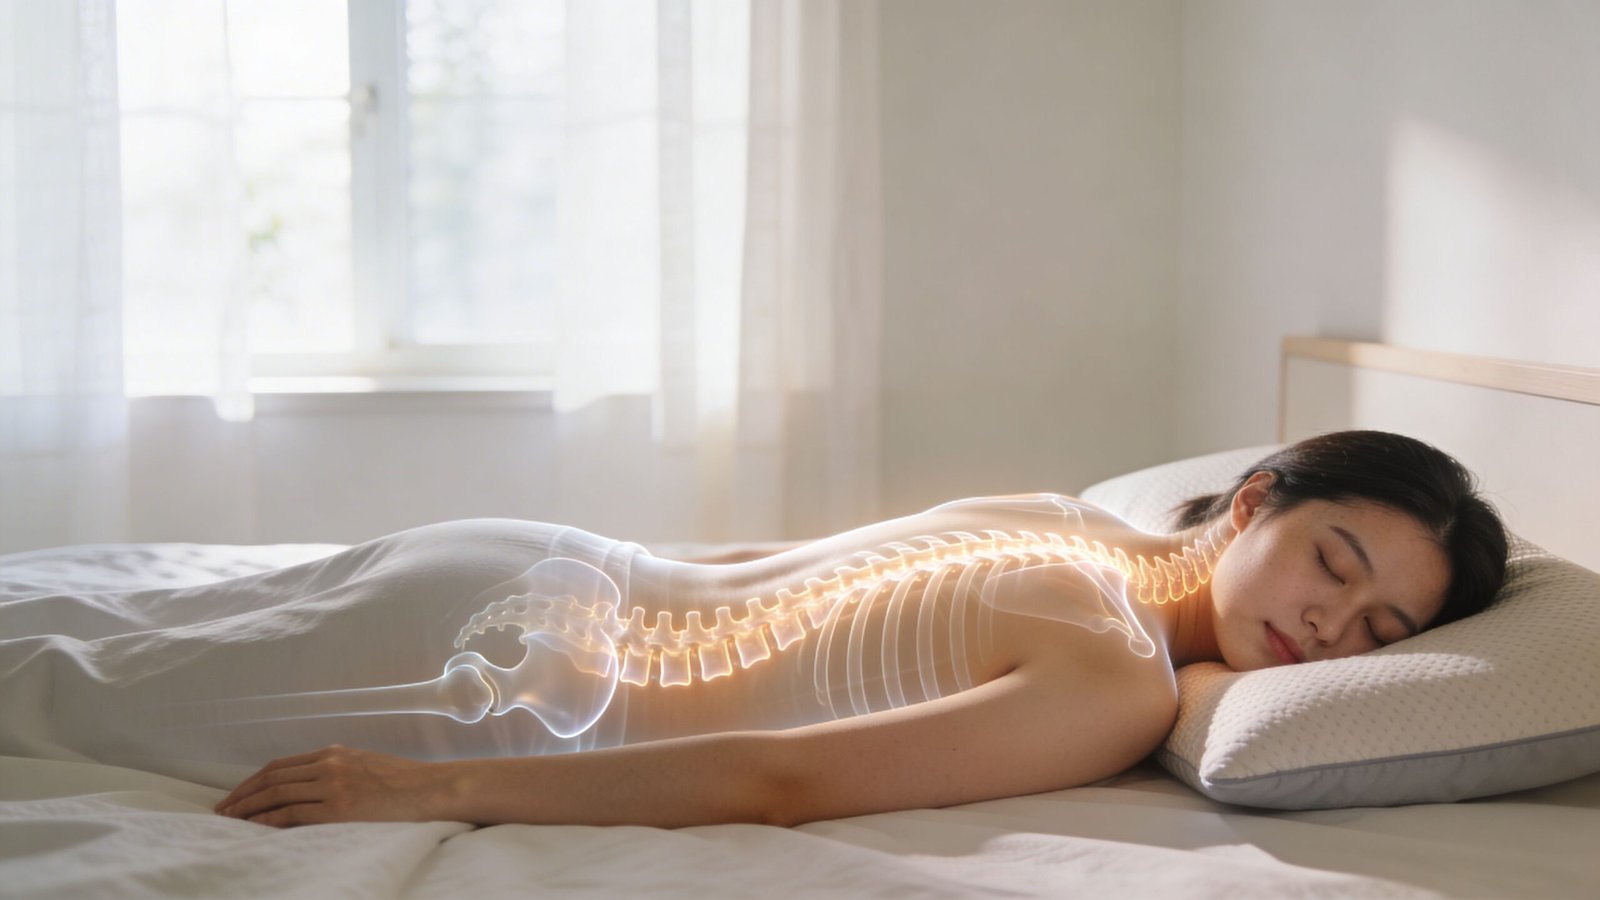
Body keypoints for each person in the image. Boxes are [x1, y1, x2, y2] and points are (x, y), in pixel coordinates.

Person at [45, 430, 1514, 829]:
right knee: (57, 689)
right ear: (1255, 495)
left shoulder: (1088, 594)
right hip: (514, 670)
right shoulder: (1103, 650)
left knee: (72, 655)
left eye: (1378, 629)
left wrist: (432, 780)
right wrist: (431, 786)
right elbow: (778, 778)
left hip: (532, 586)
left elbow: (781, 721)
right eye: (1334, 561)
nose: (1331, 627)